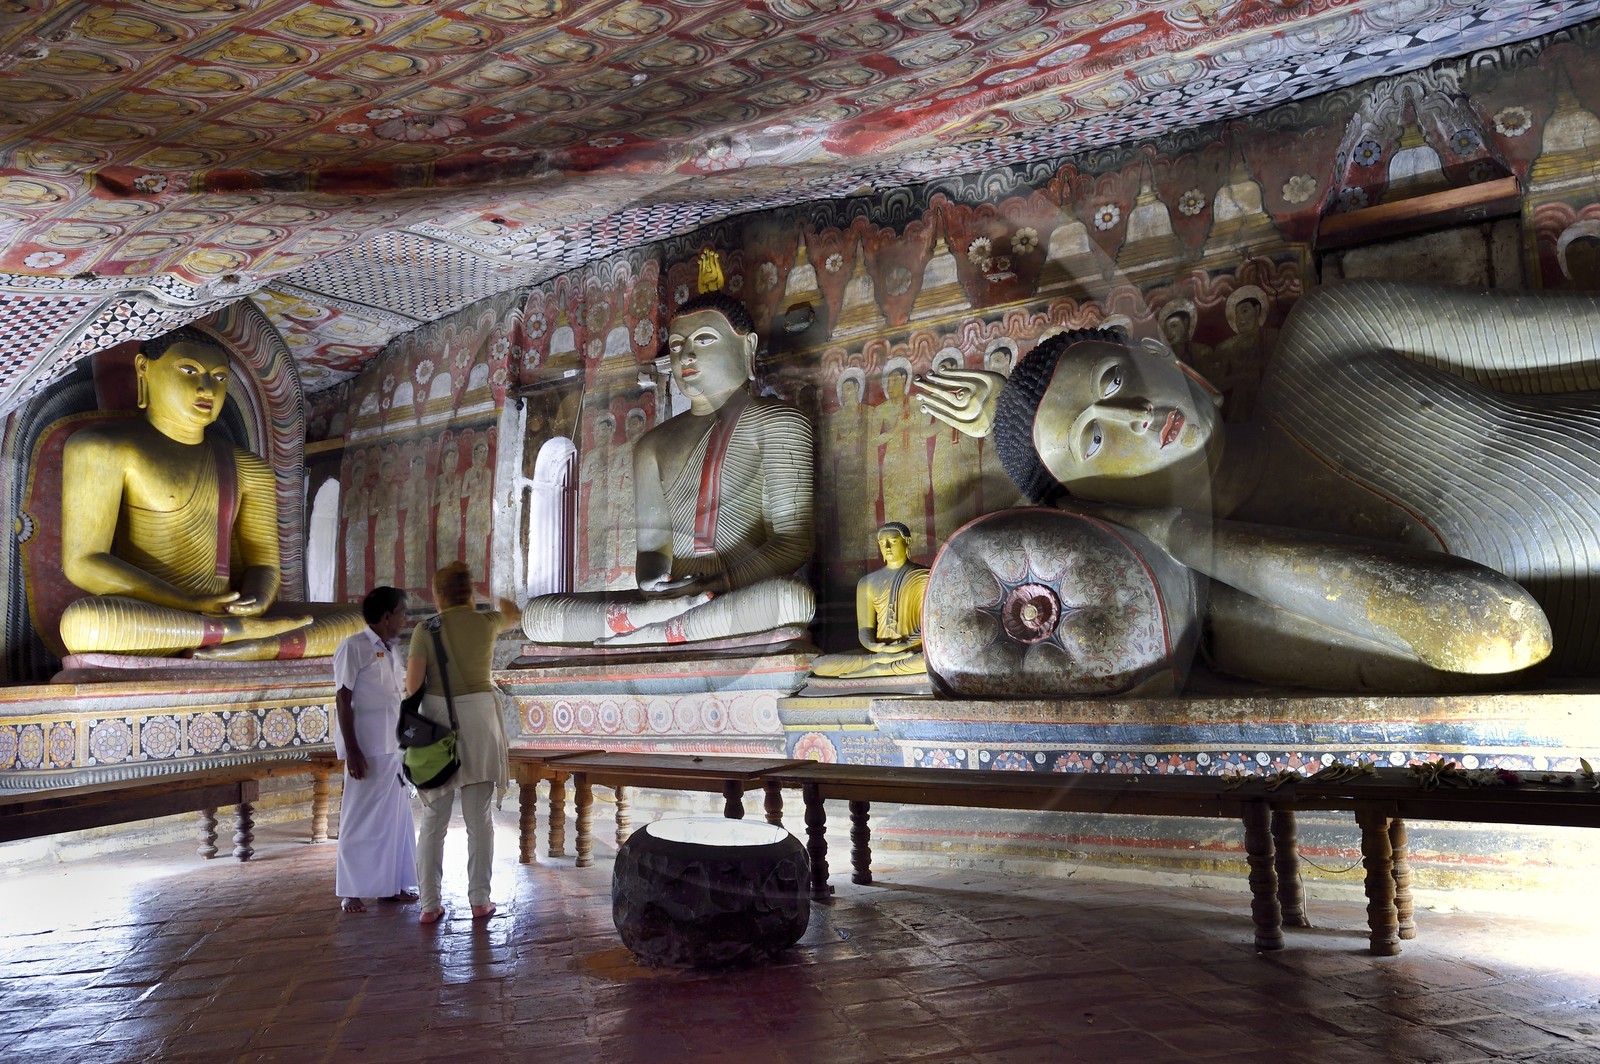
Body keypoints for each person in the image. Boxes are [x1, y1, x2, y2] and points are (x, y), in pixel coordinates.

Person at [914, 278, 1600, 691]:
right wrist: (1178, 537)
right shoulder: (1241, 617)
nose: (1136, 417)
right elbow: (1497, 631)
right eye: (1094, 439)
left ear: (1164, 357)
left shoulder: (1332, 335)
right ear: (1098, 507)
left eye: (1116, 380)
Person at [521, 290, 815, 646]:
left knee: (793, 599)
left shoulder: (779, 421)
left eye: (704, 339)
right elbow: (652, 549)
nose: (686, 355)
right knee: (537, 616)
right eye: (676, 346)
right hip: (673, 602)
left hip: (736, 594)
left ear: (747, 348)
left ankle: (647, 631)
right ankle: (662, 623)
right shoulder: (652, 445)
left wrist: (715, 584)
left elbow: (794, 542)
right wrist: (654, 584)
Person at [58, 327, 363, 659]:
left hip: (226, 611)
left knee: (364, 621)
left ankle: (252, 642)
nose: (207, 388)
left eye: (219, 378)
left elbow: (263, 565)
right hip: (154, 614)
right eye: (189, 371)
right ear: (144, 369)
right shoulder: (103, 448)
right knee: (83, 623)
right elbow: (83, 563)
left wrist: (256, 600)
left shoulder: (249, 468)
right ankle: (239, 639)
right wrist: (187, 603)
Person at [406, 562, 519, 924]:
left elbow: (412, 687)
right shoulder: (486, 623)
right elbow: (513, 613)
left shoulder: (426, 629)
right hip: (482, 725)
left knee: (433, 820)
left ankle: (429, 905)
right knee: (479, 818)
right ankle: (479, 900)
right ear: (469, 592)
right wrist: (491, 596)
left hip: (439, 724)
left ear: (437, 594)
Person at [332, 586, 417, 913]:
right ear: (386, 617)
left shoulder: (391, 651)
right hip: (365, 748)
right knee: (360, 818)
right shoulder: (353, 647)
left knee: (395, 818)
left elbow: (396, 697)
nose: (404, 619)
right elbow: (343, 698)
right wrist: (352, 749)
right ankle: (351, 892)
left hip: (392, 746)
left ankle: (390, 886)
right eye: (401, 613)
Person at [811, 522, 931, 680]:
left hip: (913, 651)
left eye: (893, 541)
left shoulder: (927, 576)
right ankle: (879, 664)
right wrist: (873, 646)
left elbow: (932, 626)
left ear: (907, 541)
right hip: (878, 653)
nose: (887, 547)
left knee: (930, 660)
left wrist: (906, 644)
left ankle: (880, 670)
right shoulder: (867, 583)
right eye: (882, 543)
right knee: (819, 665)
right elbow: (865, 629)